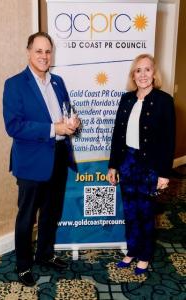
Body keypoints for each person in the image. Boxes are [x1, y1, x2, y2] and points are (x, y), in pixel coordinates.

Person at [3, 32, 80, 286]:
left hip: (58, 157)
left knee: (51, 212)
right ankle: (24, 266)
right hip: (31, 163)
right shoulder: (14, 84)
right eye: (39, 51)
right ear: (28, 52)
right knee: (27, 217)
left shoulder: (57, 81)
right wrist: (52, 129)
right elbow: (14, 126)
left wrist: (72, 122)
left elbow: (66, 112)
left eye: (48, 51)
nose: (44, 56)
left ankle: (45, 254)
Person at [107, 54, 175, 275]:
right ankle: (132, 250)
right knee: (130, 210)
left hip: (151, 165)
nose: (143, 74)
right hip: (127, 162)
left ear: (154, 74)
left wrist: (164, 173)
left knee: (146, 212)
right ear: (133, 75)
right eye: (138, 70)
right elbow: (117, 135)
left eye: (147, 70)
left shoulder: (164, 101)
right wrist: (113, 166)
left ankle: (144, 255)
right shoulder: (126, 99)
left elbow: (168, 139)